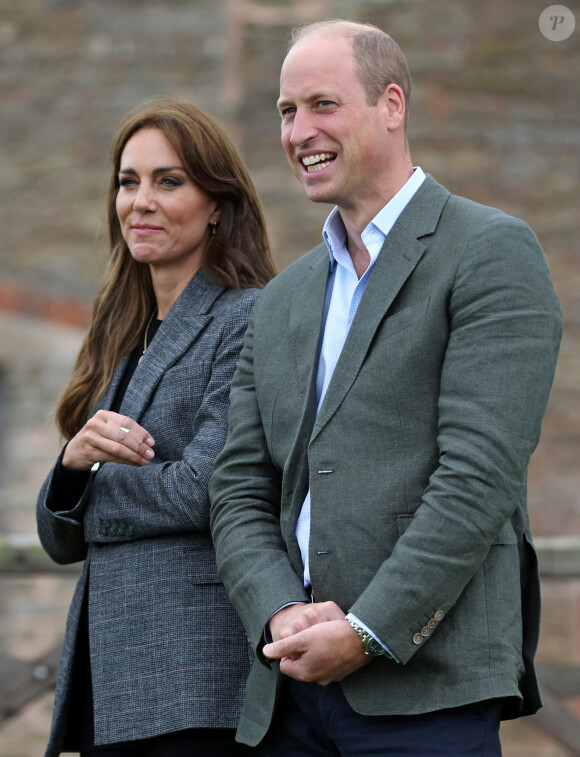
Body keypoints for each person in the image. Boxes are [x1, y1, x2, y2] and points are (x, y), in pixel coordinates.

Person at [209, 19, 563, 757]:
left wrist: (368, 630)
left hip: (428, 688)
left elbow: (478, 477)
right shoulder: (283, 298)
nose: (299, 130)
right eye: (285, 111)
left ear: (392, 105)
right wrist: (279, 611)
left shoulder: (490, 251)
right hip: (289, 696)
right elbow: (239, 484)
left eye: (321, 105)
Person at [36, 98, 276, 757]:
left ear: (217, 205)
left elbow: (207, 487)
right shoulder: (124, 337)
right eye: (128, 180)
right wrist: (70, 468)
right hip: (110, 679)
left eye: (168, 181)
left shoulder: (246, 316)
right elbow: (57, 536)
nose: (140, 200)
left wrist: (90, 490)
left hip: (191, 680)